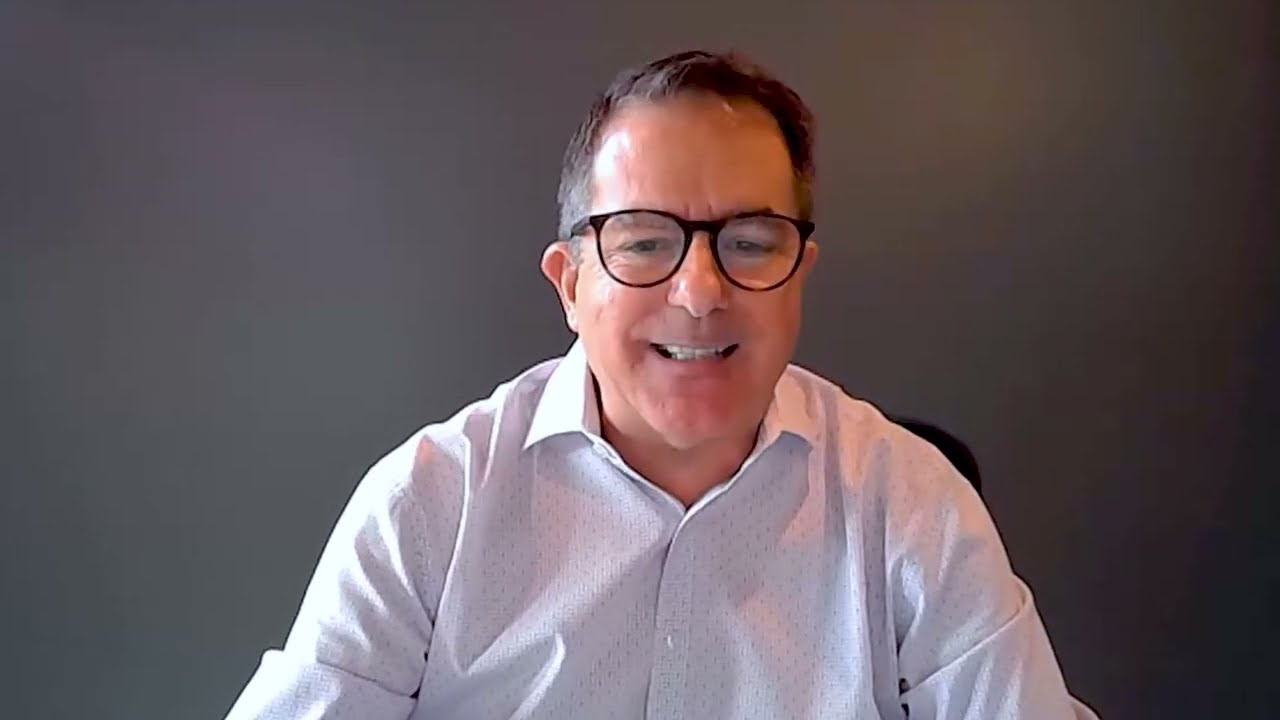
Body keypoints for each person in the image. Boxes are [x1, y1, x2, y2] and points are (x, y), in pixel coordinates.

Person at [226, 50, 1098, 719]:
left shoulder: (911, 505)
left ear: (799, 274)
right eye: (644, 241)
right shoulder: (430, 503)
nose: (700, 291)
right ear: (571, 283)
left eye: (751, 240)